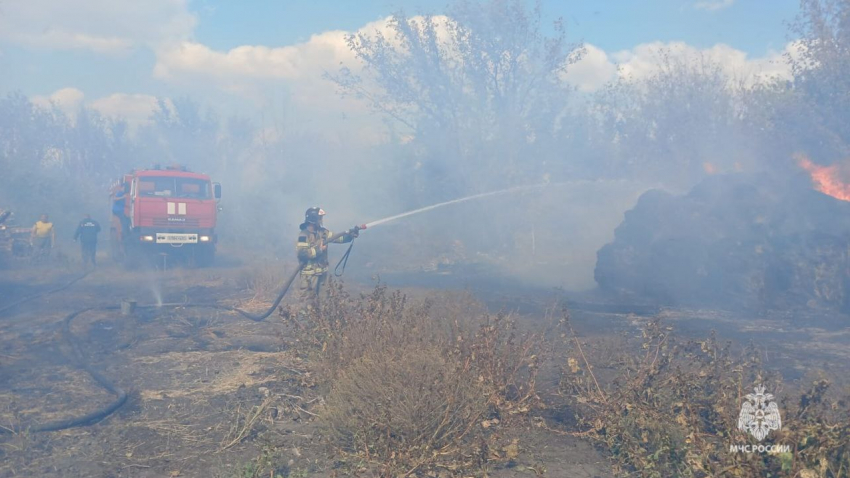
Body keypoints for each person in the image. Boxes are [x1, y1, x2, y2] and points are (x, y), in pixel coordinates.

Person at [295, 207, 359, 305]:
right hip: (309, 276)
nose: (321, 220)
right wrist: (319, 250)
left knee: (322, 302)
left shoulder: (323, 232)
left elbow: (338, 238)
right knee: (307, 304)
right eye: (319, 218)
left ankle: (319, 320)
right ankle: (305, 320)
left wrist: (350, 235)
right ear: (313, 219)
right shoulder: (304, 235)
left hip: (322, 274)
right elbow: (302, 254)